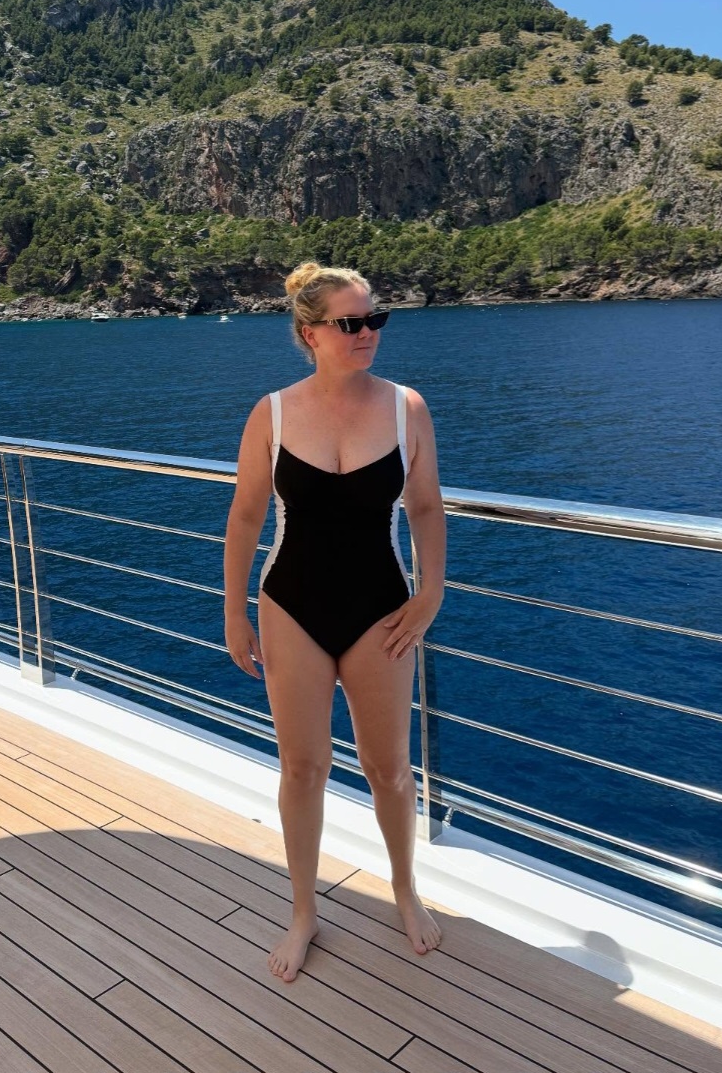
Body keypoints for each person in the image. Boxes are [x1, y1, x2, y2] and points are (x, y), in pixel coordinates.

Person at [223, 261, 447, 983]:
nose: (367, 333)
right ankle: (303, 911)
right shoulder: (272, 413)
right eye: (351, 323)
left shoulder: (406, 408)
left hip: (382, 606)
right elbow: (246, 516)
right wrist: (233, 610)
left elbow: (426, 507)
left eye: (375, 319)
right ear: (310, 333)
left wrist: (432, 592)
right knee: (303, 766)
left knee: (389, 768)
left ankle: (405, 889)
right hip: (291, 603)